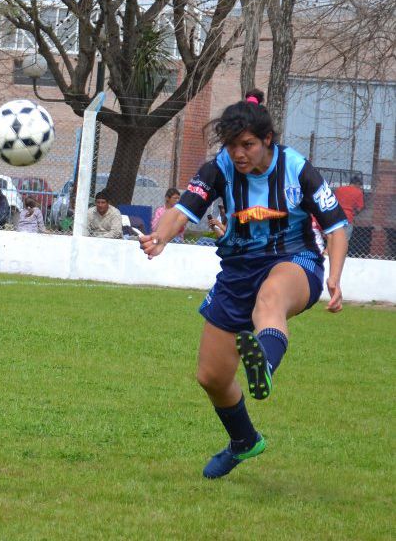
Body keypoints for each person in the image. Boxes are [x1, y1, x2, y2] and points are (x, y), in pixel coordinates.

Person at [140, 89, 348, 479]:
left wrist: (334, 277)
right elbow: (183, 209)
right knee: (212, 377)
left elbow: (336, 227)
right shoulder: (219, 168)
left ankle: (264, 363)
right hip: (237, 273)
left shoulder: (297, 168)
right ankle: (244, 441)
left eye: (247, 145)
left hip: (294, 262)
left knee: (270, 298)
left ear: (267, 139)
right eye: (233, 145)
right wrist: (161, 237)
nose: (239, 153)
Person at [333, 175, 364, 241]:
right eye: (359, 186)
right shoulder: (358, 192)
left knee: (334, 239)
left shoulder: (339, 189)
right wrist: (354, 214)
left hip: (336, 216)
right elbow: (359, 208)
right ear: (357, 184)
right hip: (348, 217)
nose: (359, 187)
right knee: (344, 240)